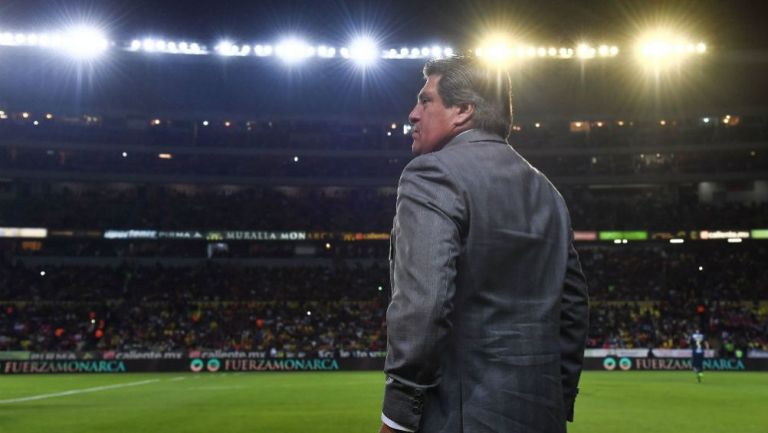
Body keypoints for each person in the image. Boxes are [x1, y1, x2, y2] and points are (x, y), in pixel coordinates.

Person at [379, 56, 589, 433]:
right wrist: (557, 400)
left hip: (460, 418)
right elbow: (573, 307)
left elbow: (423, 304)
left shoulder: (431, 173)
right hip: (543, 417)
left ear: (462, 110)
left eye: (425, 101)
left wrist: (398, 415)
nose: (412, 113)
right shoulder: (547, 191)